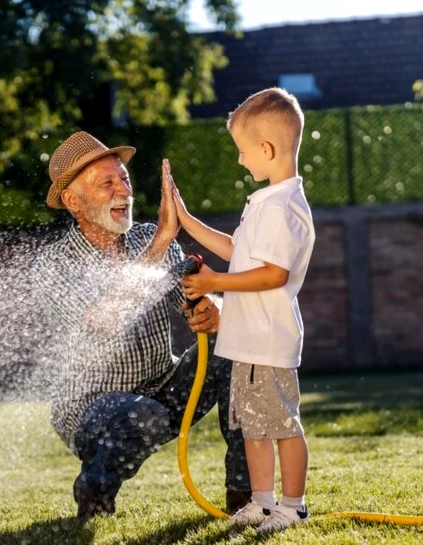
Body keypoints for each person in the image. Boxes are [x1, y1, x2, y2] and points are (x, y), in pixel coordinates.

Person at [32, 130, 250, 520]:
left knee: (236, 349)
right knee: (142, 414)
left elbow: (193, 297)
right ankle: (93, 492)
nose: (124, 191)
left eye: (125, 180)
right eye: (108, 183)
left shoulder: (149, 238)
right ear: (72, 201)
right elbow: (104, 319)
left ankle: (245, 497)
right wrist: (164, 239)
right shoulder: (55, 264)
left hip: (163, 388)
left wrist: (211, 310)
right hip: (92, 409)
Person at [165, 87, 315, 534]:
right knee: (252, 428)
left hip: (268, 341)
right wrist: (188, 222)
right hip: (249, 341)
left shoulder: (280, 207)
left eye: (242, 151)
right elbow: (238, 252)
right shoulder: (267, 202)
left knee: (283, 426)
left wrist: (213, 283)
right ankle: (262, 502)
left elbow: (272, 274)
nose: (239, 160)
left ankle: (293, 505)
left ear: (266, 149)